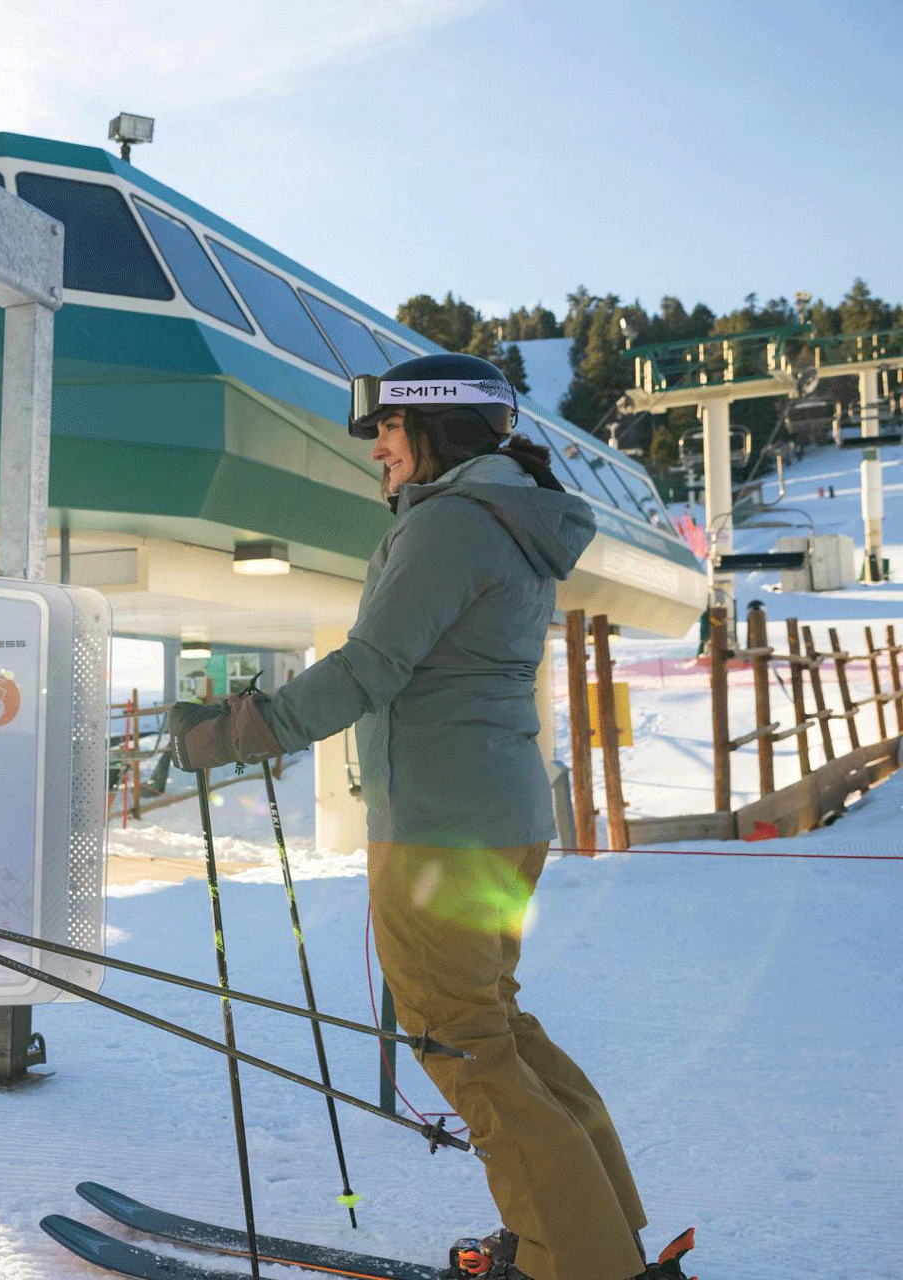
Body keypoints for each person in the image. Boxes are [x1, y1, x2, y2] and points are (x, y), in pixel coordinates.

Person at [169, 353, 692, 1280]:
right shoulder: (505, 517)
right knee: (497, 1028)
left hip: (442, 830)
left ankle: (576, 1261)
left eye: (388, 430)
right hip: (495, 816)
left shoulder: (450, 524)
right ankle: (591, 1235)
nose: (377, 451)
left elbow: (372, 665)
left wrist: (238, 731)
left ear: (437, 428)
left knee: (465, 1044)